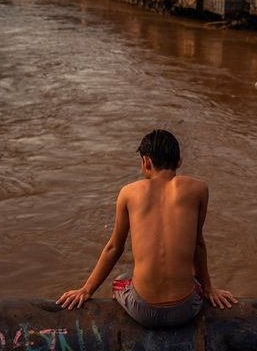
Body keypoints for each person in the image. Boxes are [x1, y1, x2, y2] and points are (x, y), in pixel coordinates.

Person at [57, 130, 237, 327]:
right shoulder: (199, 189)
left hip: (143, 311)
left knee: (122, 279)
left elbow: (114, 248)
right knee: (195, 281)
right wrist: (209, 288)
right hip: (187, 309)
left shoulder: (129, 192)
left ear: (146, 162)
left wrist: (86, 290)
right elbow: (198, 245)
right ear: (179, 162)